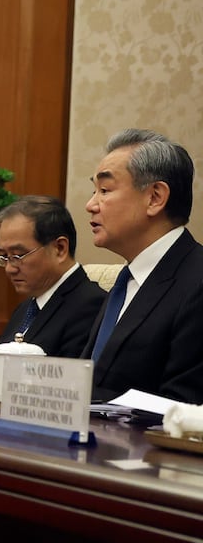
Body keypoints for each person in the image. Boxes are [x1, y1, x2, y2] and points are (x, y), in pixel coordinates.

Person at [81, 129, 203, 403]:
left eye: (104, 190)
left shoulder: (197, 282)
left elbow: (185, 408)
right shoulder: (126, 281)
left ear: (155, 197)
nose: (90, 205)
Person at [0, 196, 106, 357]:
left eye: (18, 255)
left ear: (59, 248)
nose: (9, 268)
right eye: (4, 256)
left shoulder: (92, 305)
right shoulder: (25, 309)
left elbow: (72, 377)